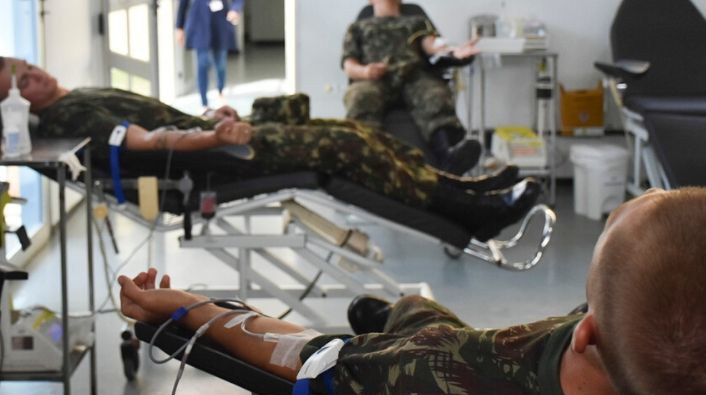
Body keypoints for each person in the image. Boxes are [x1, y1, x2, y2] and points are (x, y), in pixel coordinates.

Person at [118, 187, 706, 395]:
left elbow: (311, 357)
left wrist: (187, 309)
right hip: (458, 346)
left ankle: (394, 316)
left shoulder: (440, 377)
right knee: (419, 318)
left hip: (443, 356)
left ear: (586, 328)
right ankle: (395, 313)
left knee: (416, 327)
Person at [0, 56, 537, 241]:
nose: (35, 77)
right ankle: (471, 213)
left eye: (29, 67)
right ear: (18, 104)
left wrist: (212, 116)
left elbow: (161, 118)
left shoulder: (79, 91)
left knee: (353, 129)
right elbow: (144, 140)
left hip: (213, 134)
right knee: (345, 145)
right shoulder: (67, 115)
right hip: (214, 162)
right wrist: (213, 136)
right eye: (22, 83)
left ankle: (461, 186)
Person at [342, 0, 481, 175]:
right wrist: (366, 71)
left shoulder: (416, 22)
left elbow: (432, 46)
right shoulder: (357, 28)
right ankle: (365, 160)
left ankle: (448, 157)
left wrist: (453, 52)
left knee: (435, 94)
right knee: (360, 97)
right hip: (375, 79)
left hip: (413, 76)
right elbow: (349, 64)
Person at [176, 0, 243, 110]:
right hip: (199, 22)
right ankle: (204, 102)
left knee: (220, 62)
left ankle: (220, 92)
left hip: (220, 22)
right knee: (203, 62)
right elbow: (183, 3)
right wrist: (179, 27)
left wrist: (235, 9)